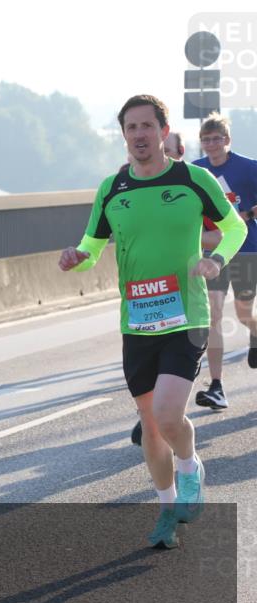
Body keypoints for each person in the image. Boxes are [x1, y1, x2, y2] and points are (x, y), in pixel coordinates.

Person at [59, 95, 246, 548]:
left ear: (163, 131)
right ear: (123, 135)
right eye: (131, 127)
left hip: (186, 315)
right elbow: (92, 246)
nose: (139, 134)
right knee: (149, 422)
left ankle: (189, 466)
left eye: (147, 126)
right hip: (138, 320)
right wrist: (78, 258)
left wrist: (216, 260)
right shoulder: (112, 189)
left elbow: (235, 227)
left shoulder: (192, 179)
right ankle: (166, 509)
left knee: (167, 414)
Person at [129, 130, 222, 445]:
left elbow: (220, 233)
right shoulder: (127, 184)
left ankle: (212, 385)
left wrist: (188, 237)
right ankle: (151, 414)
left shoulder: (191, 183)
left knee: (221, 315)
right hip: (147, 298)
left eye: (166, 150)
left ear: (179, 152)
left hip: (194, 282)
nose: (159, 155)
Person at [192, 112, 257, 411]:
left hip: (246, 248)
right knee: (213, 315)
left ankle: (254, 332)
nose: (211, 145)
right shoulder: (196, 171)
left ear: (227, 140)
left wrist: (249, 214)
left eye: (216, 139)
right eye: (206, 140)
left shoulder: (248, 167)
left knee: (243, 312)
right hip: (212, 252)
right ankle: (216, 386)